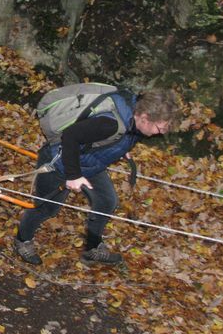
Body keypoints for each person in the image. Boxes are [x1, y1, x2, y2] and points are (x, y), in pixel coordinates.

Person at [14, 89, 181, 266]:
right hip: (60, 161)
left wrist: (121, 149)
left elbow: (119, 135)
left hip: (91, 161)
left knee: (107, 201)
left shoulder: (134, 114)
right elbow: (70, 136)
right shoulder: (110, 123)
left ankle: (92, 249)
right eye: (160, 128)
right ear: (145, 117)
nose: (160, 133)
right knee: (47, 208)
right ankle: (22, 239)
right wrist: (74, 176)